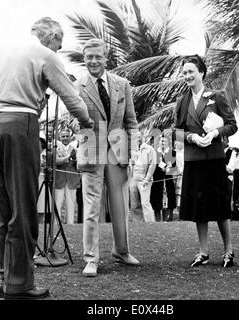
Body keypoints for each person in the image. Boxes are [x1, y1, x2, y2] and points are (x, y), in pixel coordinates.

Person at [0, 17, 93, 299]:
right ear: (50, 38)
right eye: (58, 45)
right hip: (18, 126)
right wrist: (87, 121)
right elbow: (71, 97)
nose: (58, 51)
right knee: (23, 210)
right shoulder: (45, 55)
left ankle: (4, 278)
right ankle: (19, 285)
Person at [75, 38, 139, 277]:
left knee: (120, 205)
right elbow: (71, 122)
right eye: (89, 57)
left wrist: (130, 152)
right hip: (90, 150)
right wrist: (82, 123)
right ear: (84, 58)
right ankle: (91, 259)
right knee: (91, 207)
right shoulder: (77, 85)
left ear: (106, 58)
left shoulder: (122, 84)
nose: (93, 61)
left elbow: (131, 122)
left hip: (118, 152)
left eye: (97, 57)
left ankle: (121, 251)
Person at [174, 55, 238, 268]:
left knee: (220, 206)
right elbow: (175, 131)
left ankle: (228, 250)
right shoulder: (182, 101)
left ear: (201, 72)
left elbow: (232, 125)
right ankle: (203, 252)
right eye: (184, 73)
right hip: (193, 159)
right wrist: (191, 137)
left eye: (191, 71)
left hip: (214, 158)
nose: (187, 76)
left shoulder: (217, 96)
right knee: (198, 209)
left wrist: (215, 134)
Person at [129, 131, 157, 222]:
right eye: (136, 137)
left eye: (139, 137)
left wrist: (147, 179)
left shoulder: (149, 149)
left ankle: (150, 223)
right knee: (134, 204)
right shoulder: (132, 151)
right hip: (133, 179)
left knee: (145, 203)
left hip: (144, 179)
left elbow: (152, 165)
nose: (138, 139)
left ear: (143, 137)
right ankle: (138, 223)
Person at [55, 129, 80, 224]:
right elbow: (56, 161)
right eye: (63, 136)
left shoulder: (75, 149)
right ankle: (56, 224)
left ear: (70, 137)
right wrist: (68, 157)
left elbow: (79, 165)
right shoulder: (56, 148)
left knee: (71, 203)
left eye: (67, 136)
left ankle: (70, 224)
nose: (65, 138)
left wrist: (74, 158)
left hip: (72, 180)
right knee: (58, 203)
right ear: (60, 138)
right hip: (59, 179)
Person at [150, 135, 177, 222]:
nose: (162, 143)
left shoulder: (172, 153)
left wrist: (167, 169)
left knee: (169, 201)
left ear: (168, 143)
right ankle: (157, 220)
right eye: (161, 141)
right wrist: (164, 166)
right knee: (156, 201)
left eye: (164, 141)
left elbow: (174, 167)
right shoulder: (155, 153)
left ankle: (168, 219)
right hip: (157, 180)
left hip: (168, 180)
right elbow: (155, 164)